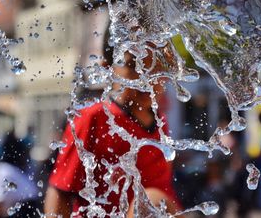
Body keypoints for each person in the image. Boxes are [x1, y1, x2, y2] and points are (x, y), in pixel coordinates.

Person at [44, 31, 182, 217]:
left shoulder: (161, 124)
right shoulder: (93, 118)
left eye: (157, 67)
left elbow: (163, 194)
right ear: (108, 69)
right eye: (134, 66)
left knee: (154, 200)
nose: (147, 79)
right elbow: (60, 191)